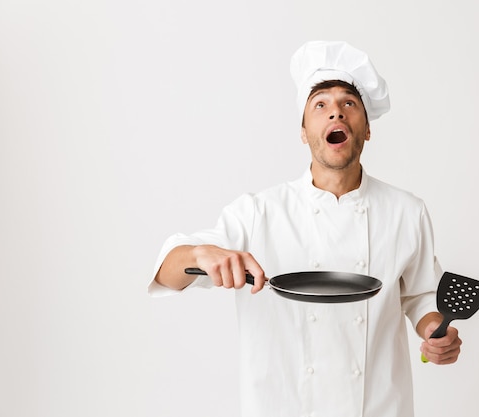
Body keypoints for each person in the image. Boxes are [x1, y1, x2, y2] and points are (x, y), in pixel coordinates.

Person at [149, 40, 462, 417]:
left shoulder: (406, 212)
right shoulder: (258, 212)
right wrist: (200, 254)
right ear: (303, 131)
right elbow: (168, 272)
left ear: (366, 130)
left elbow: (422, 295)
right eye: (321, 105)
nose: (336, 114)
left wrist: (434, 332)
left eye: (349, 103)